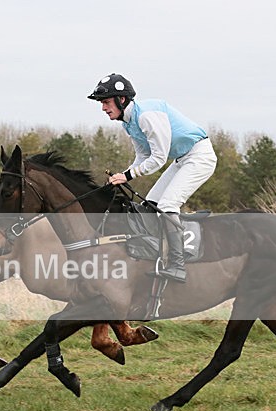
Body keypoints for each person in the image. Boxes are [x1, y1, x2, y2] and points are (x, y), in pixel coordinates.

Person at [88, 73, 217, 283]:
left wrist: (128, 175)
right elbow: (142, 157)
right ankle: (158, 253)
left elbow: (158, 158)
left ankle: (177, 265)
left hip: (199, 156)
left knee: (167, 206)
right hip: (181, 159)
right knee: (150, 206)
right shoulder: (127, 123)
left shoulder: (146, 116)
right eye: (102, 103)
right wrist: (124, 176)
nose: (103, 108)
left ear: (121, 100)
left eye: (106, 102)